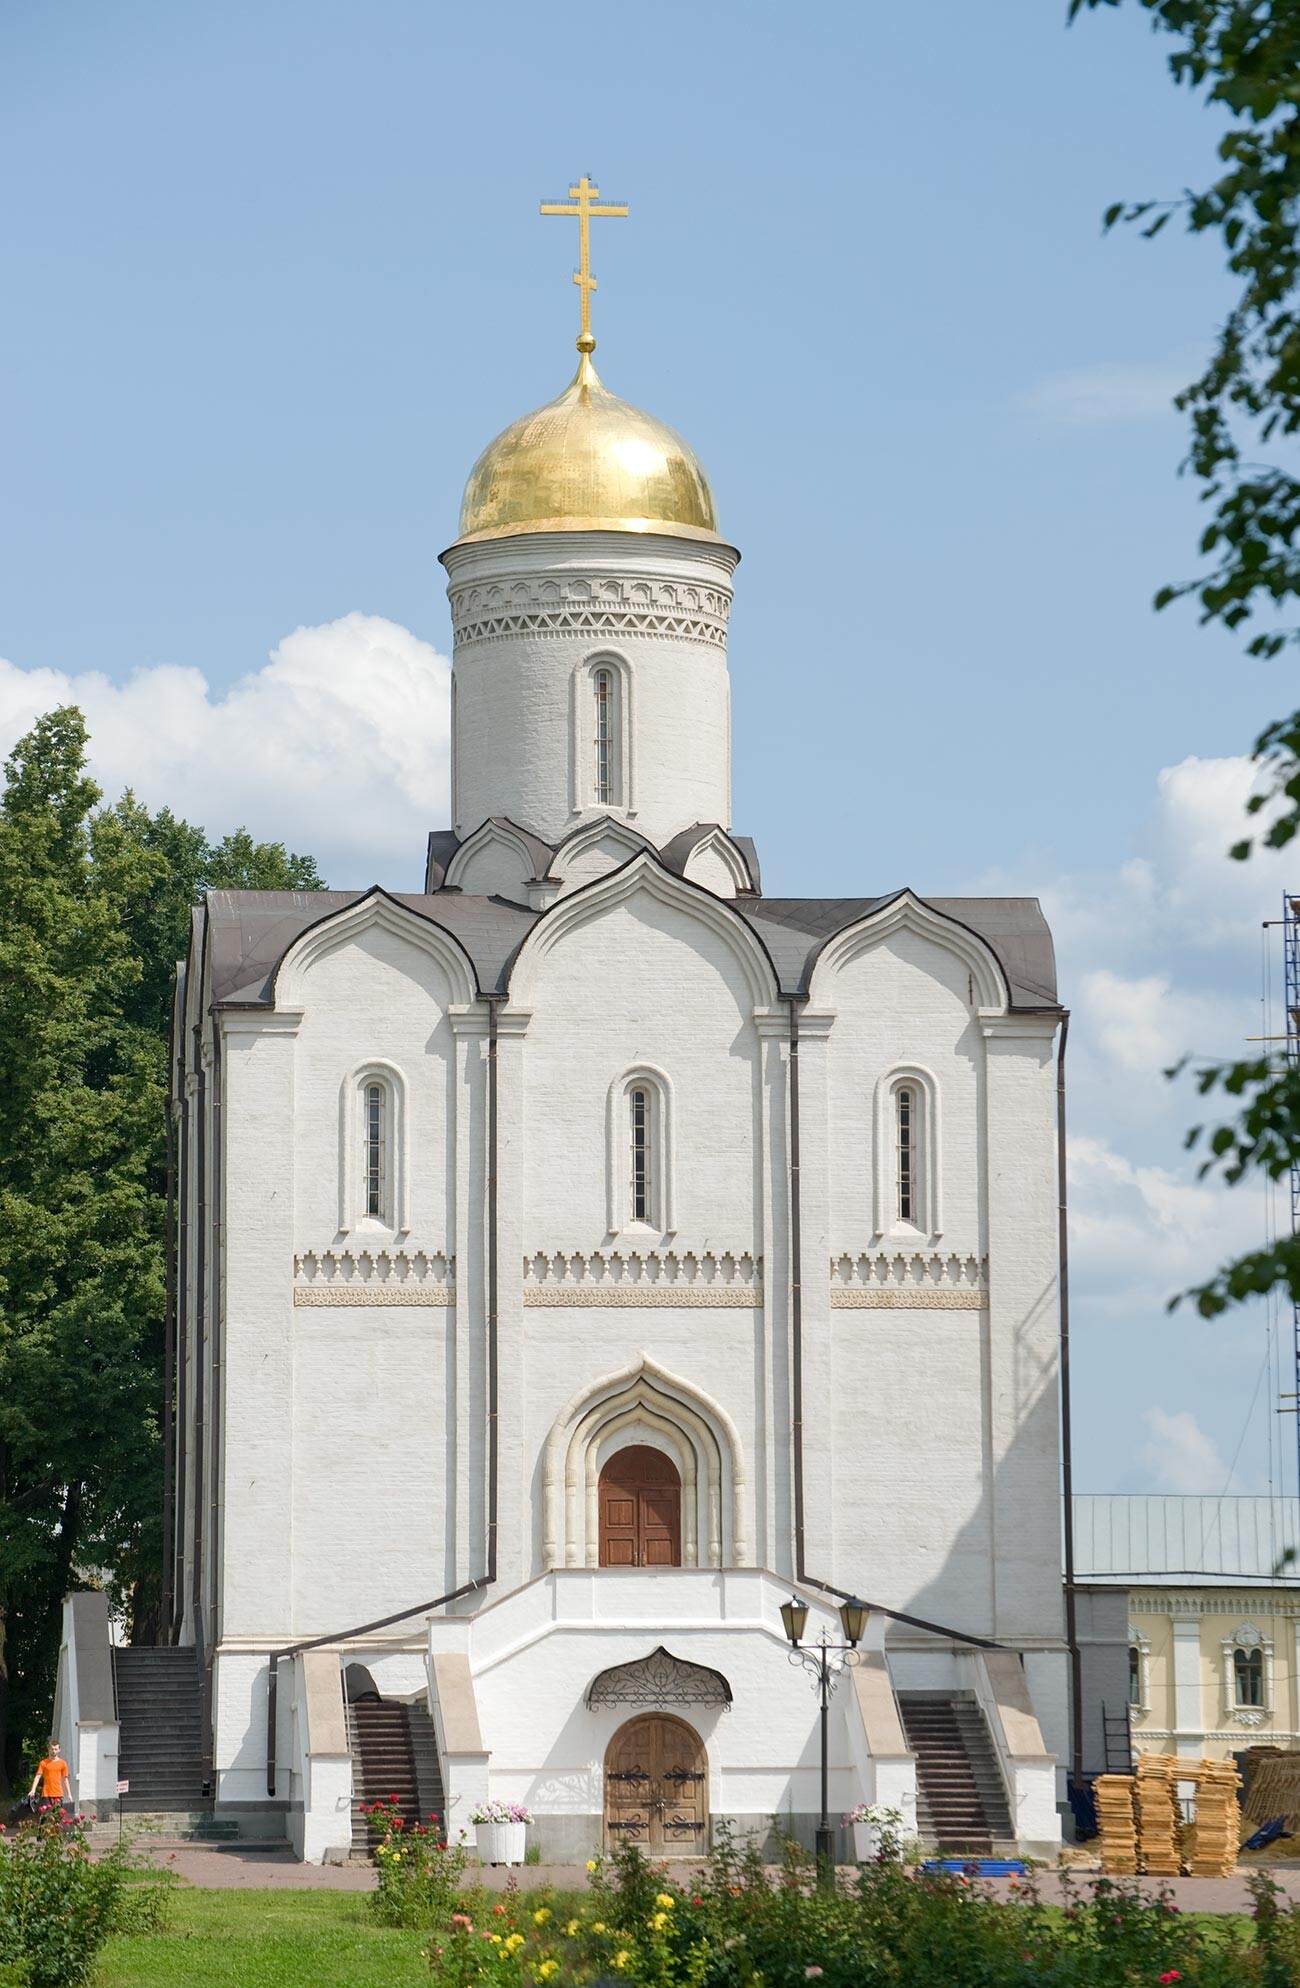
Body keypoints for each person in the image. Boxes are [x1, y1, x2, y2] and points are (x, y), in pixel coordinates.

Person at [29, 1740, 71, 1814]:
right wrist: (33, 1790)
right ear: (49, 1749)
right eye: (52, 1749)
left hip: (58, 1794)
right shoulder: (43, 1763)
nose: (53, 1751)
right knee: (46, 1817)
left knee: (57, 1817)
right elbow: (38, 1777)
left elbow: (65, 1779)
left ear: (59, 1750)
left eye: (55, 1749)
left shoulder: (63, 1763)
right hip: (46, 1794)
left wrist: (69, 1794)